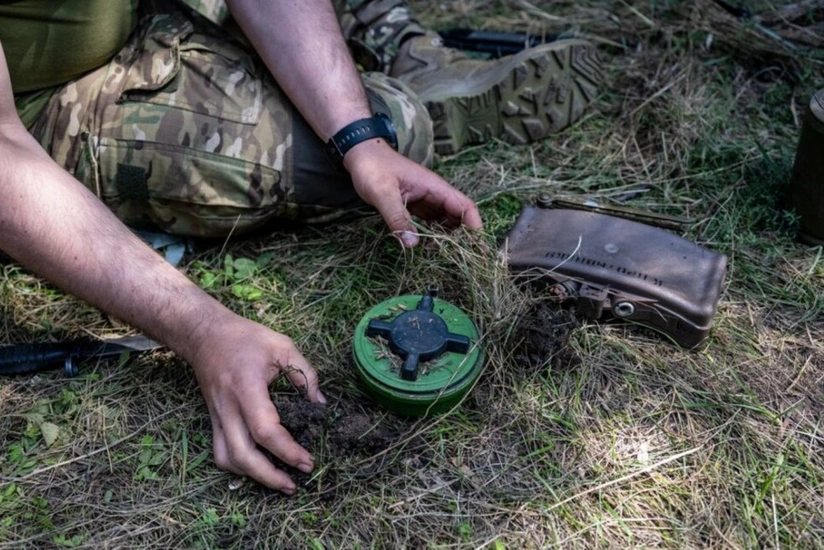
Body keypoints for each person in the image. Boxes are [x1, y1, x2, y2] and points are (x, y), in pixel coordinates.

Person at [0, 0, 601, 494]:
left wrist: (361, 138)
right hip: (36, 101)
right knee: (357, 142)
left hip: (131, 16)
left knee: (370, 136)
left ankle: (395, 42)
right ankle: (411, 90)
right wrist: (202, 327)